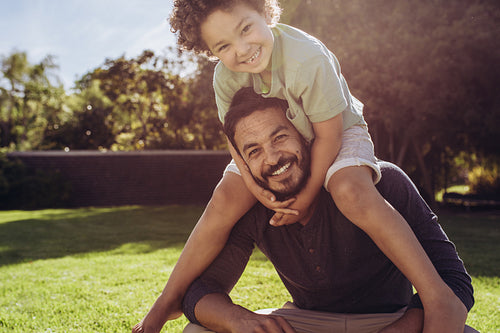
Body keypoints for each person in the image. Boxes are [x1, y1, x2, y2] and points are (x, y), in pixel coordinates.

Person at [134, 1, 460, 331]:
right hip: (279, 136)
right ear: (210, 51)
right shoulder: (225, 78)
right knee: (225, 198)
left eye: (245, 29)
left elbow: (328, 137)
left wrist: (303, 198)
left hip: (337, 128)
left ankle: (436, 296)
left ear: (265, 13)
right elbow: (236, 143)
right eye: (224, 46)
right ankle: (166, 301)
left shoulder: (306, 58)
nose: (242, 49)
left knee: (349, 190)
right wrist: (257, 190)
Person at [181, 88, 476, 333]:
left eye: (279, 137)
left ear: (306, 136)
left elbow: (455, 281)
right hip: (306, 324)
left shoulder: (378, 182)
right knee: (196, 332)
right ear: (244, 165)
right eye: (254, 150)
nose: (272, 157)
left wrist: (400, 329)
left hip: (391, 319)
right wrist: (238, 319)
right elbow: (199, 290)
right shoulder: (252, 208)